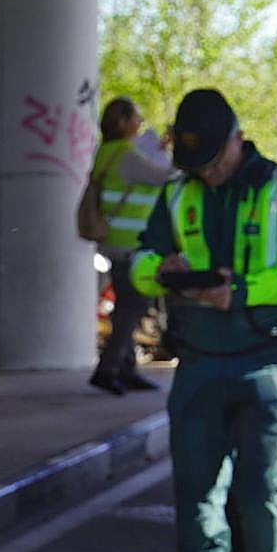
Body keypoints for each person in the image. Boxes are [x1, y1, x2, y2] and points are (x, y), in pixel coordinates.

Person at [131, 88, 277, 552]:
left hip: (268, 363)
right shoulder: (178, 193)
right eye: (196, 164)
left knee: (263, 487)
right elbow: (139, 262)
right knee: (195, 486)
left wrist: (240, 292)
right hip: (198, 360)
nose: (207, 172)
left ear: (238, 138)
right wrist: (163, 270)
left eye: (213, 160)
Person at [88, 96, 176, 395]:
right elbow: (162, 177)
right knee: (134, 305)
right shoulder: (125, 153)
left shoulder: (108, 151)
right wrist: (177, 152)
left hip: (116, 240)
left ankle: (126, 369)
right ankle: (109, 368)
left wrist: (160, 148)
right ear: (123, 122)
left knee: (127, 304)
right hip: (130, 241)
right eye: (136, 117)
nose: (140, 123)